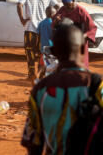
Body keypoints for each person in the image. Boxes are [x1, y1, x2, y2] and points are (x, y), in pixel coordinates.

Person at [21, 24, 103, 154]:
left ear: (53, 53)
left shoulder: (40, 89)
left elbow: (33, 144)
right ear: (82, 49)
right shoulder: (96, 84)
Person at [17, 0, 60, 81]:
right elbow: (57, 6)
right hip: (44, 28)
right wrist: (53, 17)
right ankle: (43, 74)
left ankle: (31, 74)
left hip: (31, 28)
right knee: (44, 53)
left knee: (30, 52)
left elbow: (19, 4)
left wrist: (22, 19)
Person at [53, 0, 98, 67]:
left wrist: (83, 36)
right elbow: (54, 25)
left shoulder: (82, 11)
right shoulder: (62, 10)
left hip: (79, 43)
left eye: (68, 4)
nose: (66, 6)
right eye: (64, 4)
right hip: (67, 43)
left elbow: (92, 28)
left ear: (73, 0)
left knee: (81, 65)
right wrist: (56, 21)